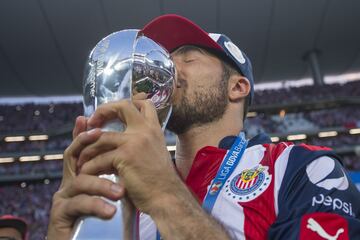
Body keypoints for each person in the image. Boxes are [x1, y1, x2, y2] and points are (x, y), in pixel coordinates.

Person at [47, 14, 360, 239]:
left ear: (236, 87)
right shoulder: (128, 187)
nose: (167, 67)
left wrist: (164, 196)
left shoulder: (302, 166)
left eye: (188, 58)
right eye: (165, 57)